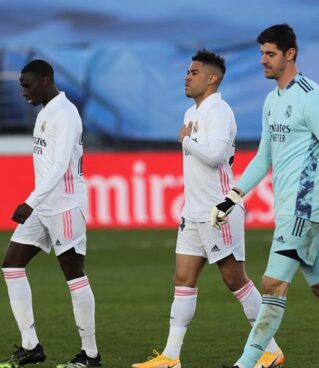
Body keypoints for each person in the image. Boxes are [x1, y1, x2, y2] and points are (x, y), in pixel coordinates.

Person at [212, 24, 319, 368]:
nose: (263, 60)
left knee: (273, 284)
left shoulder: (312, 96)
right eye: (261, 53)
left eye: (270, 54)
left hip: (305, 206)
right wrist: (233, 195)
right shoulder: (271, 101)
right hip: (289, 208)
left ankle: (245, 364)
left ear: (290, 54)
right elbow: (264, 157)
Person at [131, 49, 284, 368]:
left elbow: (214, 155)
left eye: (194, 72)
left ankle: (269, 348)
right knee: (183, 279)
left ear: (212, 78)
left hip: (219, 212)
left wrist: (186, 141)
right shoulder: (191, 113)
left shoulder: (220, 110)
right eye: (187, 71)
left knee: (235, 281)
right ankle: (171, 356)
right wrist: (187, 138)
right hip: (193, 213)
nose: (187, 76)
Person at [0, 59, 101, 368]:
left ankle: (90, 355)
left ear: (45, 80)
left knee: (73, 275)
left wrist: (30, 201)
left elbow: (59, 166)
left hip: (65, 205)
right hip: (44, 205)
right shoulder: (45, 113)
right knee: (11, 265)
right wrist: (36, 202)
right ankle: (31, 347)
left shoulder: (65, 114)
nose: (23, 92)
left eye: (27, 85)